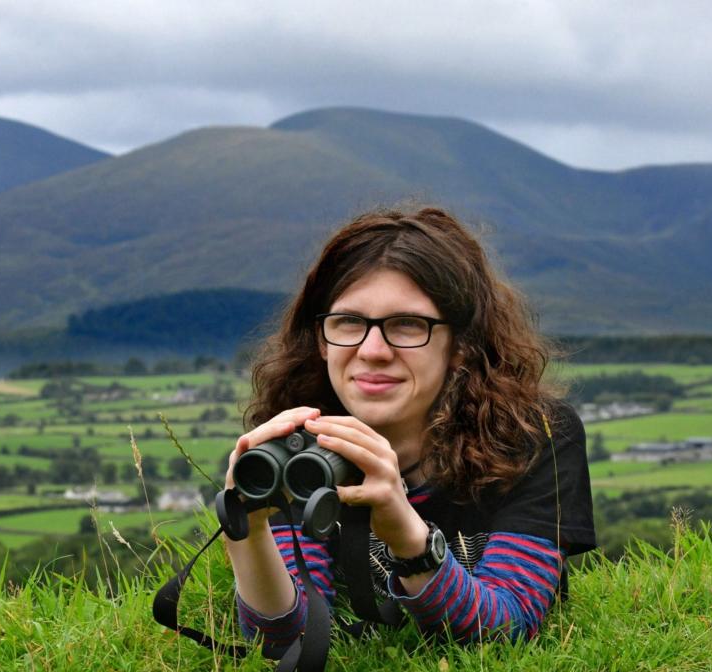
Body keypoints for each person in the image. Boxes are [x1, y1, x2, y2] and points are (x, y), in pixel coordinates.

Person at [224, 206, 594, 648]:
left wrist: (407, 536)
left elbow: (507, 625)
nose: (372, 350)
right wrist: (247, 530)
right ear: (321, 340)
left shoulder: (533, 437)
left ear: (460, 345)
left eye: (406, 325)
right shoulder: (301, 448)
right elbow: (290, 641)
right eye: (348, 322)